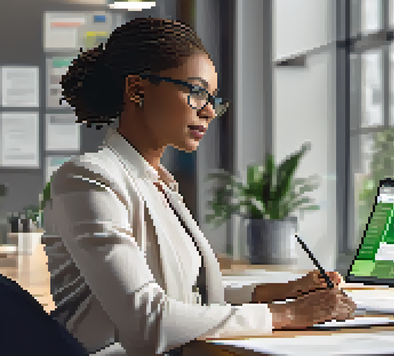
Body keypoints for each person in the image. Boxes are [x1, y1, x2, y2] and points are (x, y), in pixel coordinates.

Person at [42, 17, 356, 356]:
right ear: (137, 90)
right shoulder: (88, 179)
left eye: (213, 99)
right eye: (195, 92)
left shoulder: (161, 184)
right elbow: (150, 320)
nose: (208, 111)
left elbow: (191, 297)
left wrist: (282, 291)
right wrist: (289, 314)